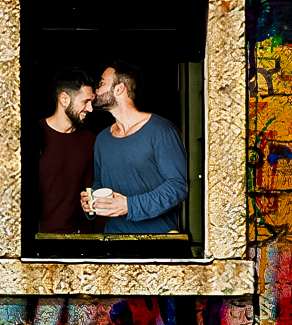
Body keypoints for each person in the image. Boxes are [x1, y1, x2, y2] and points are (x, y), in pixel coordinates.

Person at [83, 63, 188, 235]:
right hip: (114, 239)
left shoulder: (161, 131)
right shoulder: (102, 139)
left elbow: (178, 186)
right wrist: (92, 201)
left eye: (101, 83)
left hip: (157, 239)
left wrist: (129, 206)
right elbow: (100, 184)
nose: (95, 90)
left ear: (119, 89)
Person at [37, 69, 96, 232]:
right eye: (85, 101)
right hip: (37, 239)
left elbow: (90, 193)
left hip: (76, 237)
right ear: (64, 99)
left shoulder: (90, 140)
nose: (90, 109)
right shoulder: (34, 134)